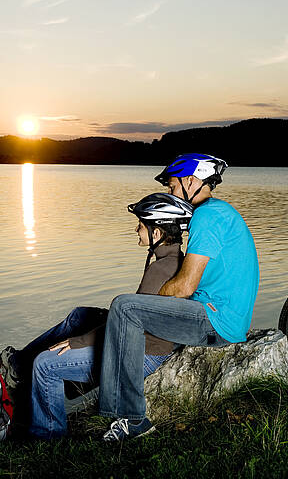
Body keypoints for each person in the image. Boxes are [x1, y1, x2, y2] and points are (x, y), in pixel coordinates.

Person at [2, 193, 193, 439]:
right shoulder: (176, 262)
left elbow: (127, 330)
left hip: (143, 354)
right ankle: (18, 365)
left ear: (156, 234)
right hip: (149, 342)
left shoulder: (159, 271)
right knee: (80, 316)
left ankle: (47, 437)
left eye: (140, 225)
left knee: (45, 365)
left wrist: (78, 342)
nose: (136, 230)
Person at [99, 153, 260, 442]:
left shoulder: (207, 217)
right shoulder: (220, 211)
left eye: (172, 186)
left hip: (216, 321)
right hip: (224, 316)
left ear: (190, 181)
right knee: (128, 311)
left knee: (124, 307)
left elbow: (184, 286)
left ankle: (132, 419)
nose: (171, 193)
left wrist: (152, 303)